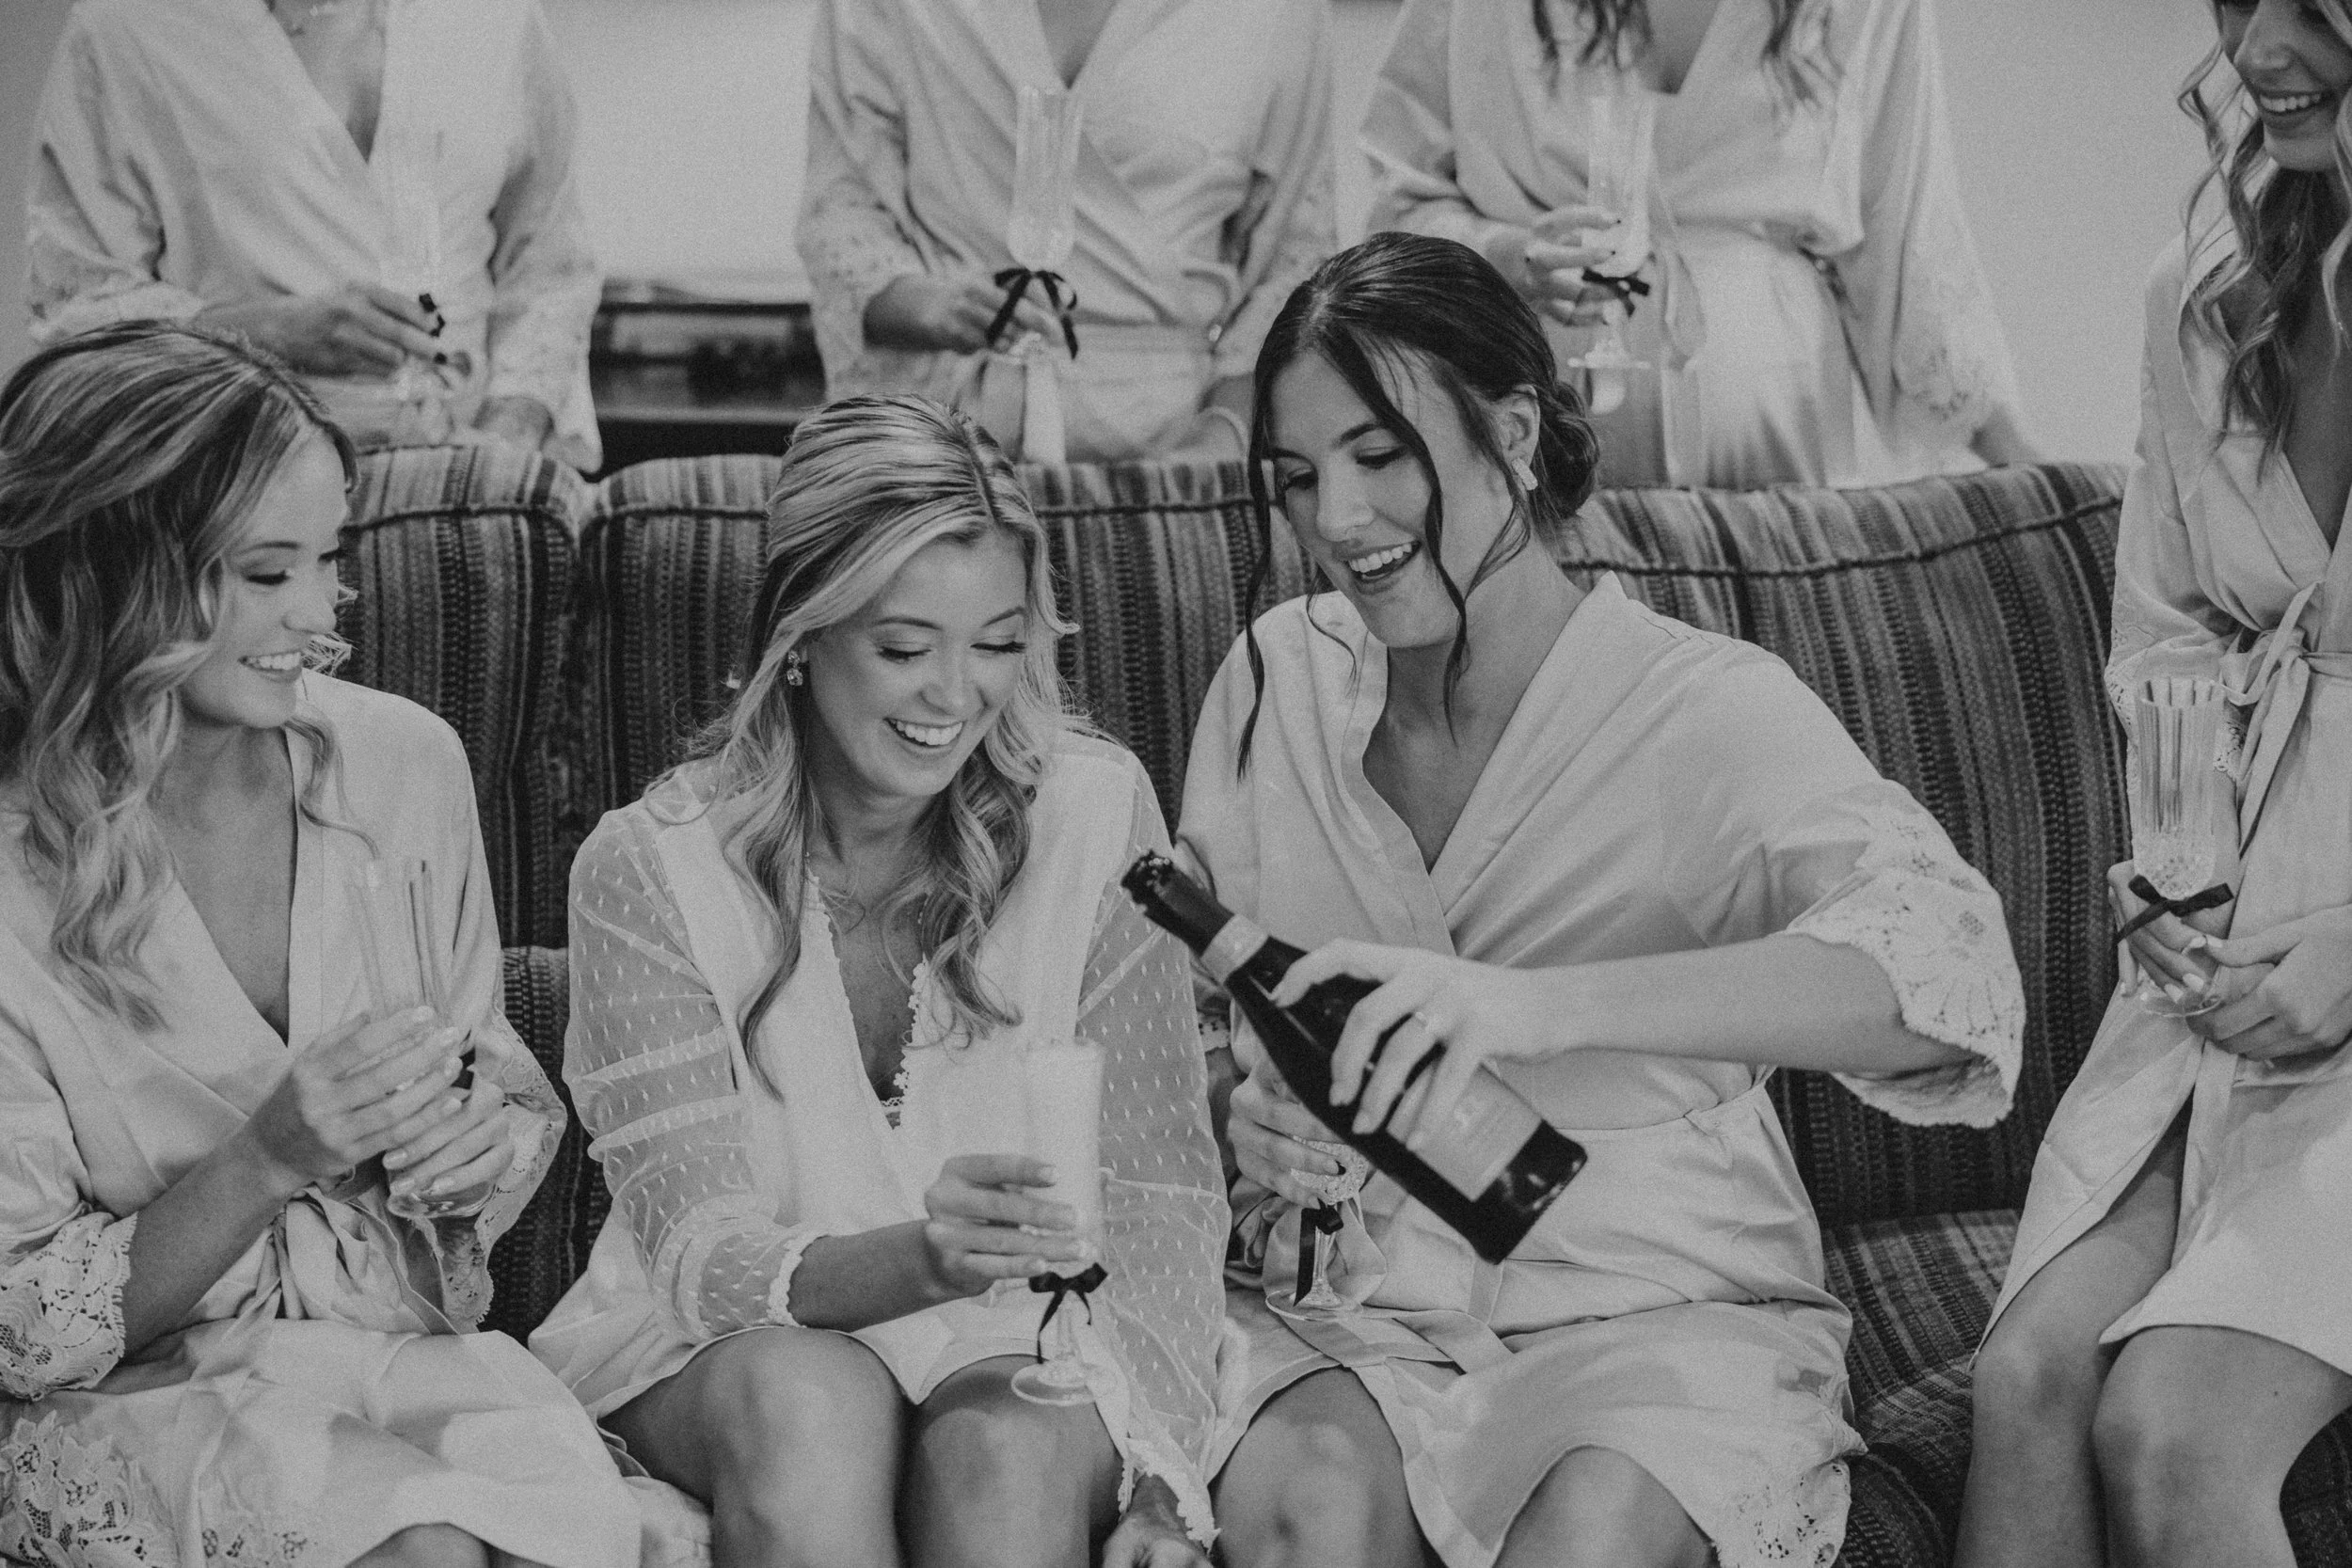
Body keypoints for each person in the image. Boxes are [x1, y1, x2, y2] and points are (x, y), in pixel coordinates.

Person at [1176, 233, 2025, 1568]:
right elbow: (1193, 1022)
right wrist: (1239, 1112)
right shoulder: (1275, 677)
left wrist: (1529, 1008)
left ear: (1514, 432)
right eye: (1297, 476)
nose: (1337, 518)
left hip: (1652, 1309)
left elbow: (1951, 972)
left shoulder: (1700, 709)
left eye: (1380, 452)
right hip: (1349, 1310)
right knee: (1306, 1517)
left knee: (1592, 1537)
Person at [528, 396, 1227, 1568]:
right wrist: (922, 1258)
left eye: (999, 643)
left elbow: (1161, 1196)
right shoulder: (649, 864)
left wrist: (1162, 1477)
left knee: (1004, 1449)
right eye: (905, 648)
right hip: (721, 1346)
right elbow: (701, 1258)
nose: (956, 695)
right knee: (814, 1404)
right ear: (800, 633)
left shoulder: (1094, 816)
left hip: (1019, 1331)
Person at [0, 323, 635, 1568]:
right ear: (109, 574)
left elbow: (487, 1082)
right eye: (264, 572)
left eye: (329, 562)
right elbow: (22, 1324)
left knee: (575, 1538)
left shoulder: (403, 763)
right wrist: (267, 1155)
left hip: (390, 1352)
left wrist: (469, 1144)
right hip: (113, 1399)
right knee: (428, 1547)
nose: (320, 617)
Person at [1957, 3, 2352, 1563]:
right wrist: (2176, 883)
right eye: (2240, 3)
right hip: (2233, 981)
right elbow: (2170, 637)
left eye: (2309, 8)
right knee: (2030, 1374)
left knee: (2171, 1428)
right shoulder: (2204, 300)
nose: (2259, 47)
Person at [1362, 0, 2035, 488]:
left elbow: (1909, 245)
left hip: (1784, 467)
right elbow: (1396, 213)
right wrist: (1508, 257)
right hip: (1536, 457)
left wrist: (2045, 480)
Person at [28, 0, 603, 470]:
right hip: (231, 483)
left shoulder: (497, 17)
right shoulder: (127, 24)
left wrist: (509, 438)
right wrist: (270, 332)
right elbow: (79, 312)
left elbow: (550, 262)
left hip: (476, 482)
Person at [796, 0, 1334, 463]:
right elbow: (840, 210)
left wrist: (1225, 431)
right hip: (933, 436)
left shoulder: (1277, 13)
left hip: (1174, 444)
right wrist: (932, 306)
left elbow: (1297, 256)